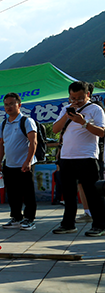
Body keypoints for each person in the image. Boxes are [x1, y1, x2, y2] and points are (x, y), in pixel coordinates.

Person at [51, 80, 105, 236]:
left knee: (92, 193)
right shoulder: (65, 109)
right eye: (72, 98)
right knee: (68, 194)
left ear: (88, 95)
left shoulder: (96, 109)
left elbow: (101, 132)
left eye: (79, 98)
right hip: (67, 157)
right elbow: (55, 129)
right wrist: (67, 116)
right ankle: (68, 224)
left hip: (87, 156)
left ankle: (99, 225)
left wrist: (83, 122)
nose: (76, 101)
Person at [0, 92, 38, 231]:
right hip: (9, 164)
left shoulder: (26, 121)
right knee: (13, 193)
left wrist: (28, 161)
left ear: (19, 105)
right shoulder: (3, 124)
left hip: (24, 164)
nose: (8, 107)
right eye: (6, 104)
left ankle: (30, 219)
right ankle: (16, 217)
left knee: (27, 193)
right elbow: (1, 144)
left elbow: (33, 142)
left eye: (12, 104)